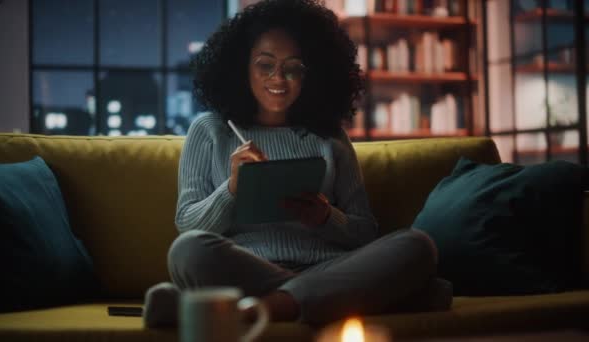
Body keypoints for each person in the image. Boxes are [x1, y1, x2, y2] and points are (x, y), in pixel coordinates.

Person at [144, 0, 451, 327]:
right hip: (249, 269)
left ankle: (253, 310)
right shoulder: (210, 130)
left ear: (311, 74)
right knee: (188, 250)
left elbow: (365, 233)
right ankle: (344, 298)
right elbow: (188, 225)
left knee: (417, 245)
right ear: (241, 66)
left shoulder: (330, 137)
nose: (279, 78)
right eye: (265, 65)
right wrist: (231, 189)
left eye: (293, 67)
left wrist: (325, 217)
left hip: (328, 268)